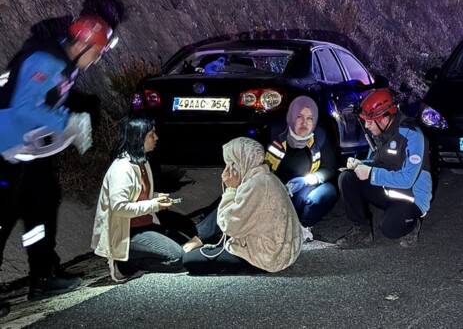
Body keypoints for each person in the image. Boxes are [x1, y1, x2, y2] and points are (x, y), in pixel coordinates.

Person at [0, 0, 123, 311]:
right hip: (4, 149)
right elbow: (25, 108)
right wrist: (67, 122)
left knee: (41, 205)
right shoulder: (44, 60)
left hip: (26, 150)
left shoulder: (65, 63)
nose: (97, 59)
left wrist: (74, 119)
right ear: (82, 44)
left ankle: (43, 276)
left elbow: (52, 98)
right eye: (97, 52)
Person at [91, 118, 202, 282]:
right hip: (127, 232)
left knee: (189, 243)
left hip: (146, 225)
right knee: (179, 258)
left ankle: (143, 257)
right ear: (138, 137)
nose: (156, 138)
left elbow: (138, 196)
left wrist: (157, 197)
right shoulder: (121, 168)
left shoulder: (142, 162)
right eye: (151, 134)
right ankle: (128, 262)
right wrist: (154, 204)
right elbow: (119, 207)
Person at [184, 137, 302, 275]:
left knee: (189, 260)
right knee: (224, 210)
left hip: (266, 257)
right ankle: (198, 238)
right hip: (281, 250)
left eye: (229, 163)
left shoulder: (255, 186)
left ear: (239, 162)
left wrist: (230, 189)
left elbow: (229, 227)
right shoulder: (267, 177)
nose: (227, 169)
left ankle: (197, 242)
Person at [335, 89, 433, 249]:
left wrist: (371, 173)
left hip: (412, 197)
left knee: (389, 228)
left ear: (385, 118)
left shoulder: (412, 135)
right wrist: (361, 164)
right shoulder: (380, 133)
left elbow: (407, 180)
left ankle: (412, 224)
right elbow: (377, 162)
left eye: (369, 121)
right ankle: (362, 231)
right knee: (347, 177)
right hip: (390, 190)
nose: (366, 126)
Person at [263, 96, 338, 243]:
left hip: (303, 189)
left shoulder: (321, 137)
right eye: (300, 117)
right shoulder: (274, 132)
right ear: (291, 116)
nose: (305, 123)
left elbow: (329, 168)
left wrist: (307, 180)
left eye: (310, 118)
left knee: (326, 193)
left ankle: (302, 226)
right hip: (274, 190)